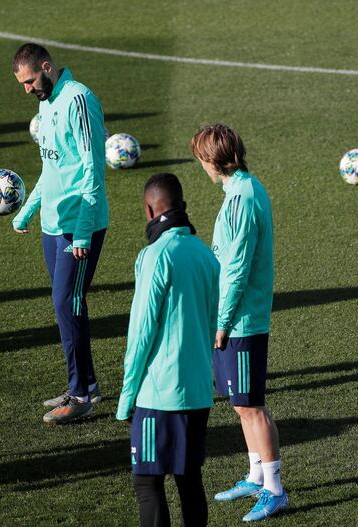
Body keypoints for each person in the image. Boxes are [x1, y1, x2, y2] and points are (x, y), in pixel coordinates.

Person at [191, 124, 289, 521]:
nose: (201, 166)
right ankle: (255, 476)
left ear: (212, 160)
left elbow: (236, 269)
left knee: (252, 406)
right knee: (241, 405)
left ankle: (275, 489)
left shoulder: (242, 199)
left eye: (201, 158)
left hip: (241, 321)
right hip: (236, 317)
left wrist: (222, 321)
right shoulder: (243, 190)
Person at [11, 43, 109, 424]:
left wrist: (83, 231)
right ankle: (87, 384)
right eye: (22, 83)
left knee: (65, 303)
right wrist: (29, 209)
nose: (27, 89)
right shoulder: (46, 104)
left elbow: (92, 169)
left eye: (30, 80)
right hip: (53, 225)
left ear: (47, 68)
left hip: (77, 227)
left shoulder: (79, 100)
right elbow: (52, 169)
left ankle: (80, 394)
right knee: (70, 306)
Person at [116, 173, 219, 527]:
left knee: (148, 484)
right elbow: (212, 324)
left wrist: (126, 398)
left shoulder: (154, 256)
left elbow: (141, 333)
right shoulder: (207, 255)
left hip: (158, 396)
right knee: (190, 482)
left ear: (149, 210)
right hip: (199, 391)